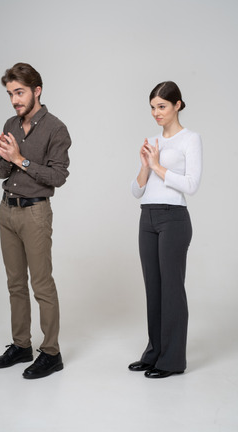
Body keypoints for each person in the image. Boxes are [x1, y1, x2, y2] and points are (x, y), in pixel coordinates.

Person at [0, 63, 71, 379]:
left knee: (41, 284)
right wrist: (5, 158)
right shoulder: (11, 122)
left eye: (19, 92)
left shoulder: (56, 129)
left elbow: (58, 176)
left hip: (35, 212)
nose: (14, 100)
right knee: (15, 283)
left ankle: (51, 353)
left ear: (37, 90)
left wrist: (18, 159)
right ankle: (21, 345)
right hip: (6, 209)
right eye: (11, 93)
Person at [128, 81, 202, 378]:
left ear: (177, 105)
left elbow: (192, 185)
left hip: (174, 218)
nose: (156, 113)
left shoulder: (190, 139)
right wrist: (146, 166)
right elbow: (136, 190)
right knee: (154, 289)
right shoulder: (151, 139)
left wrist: (158, 166)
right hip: (147, 216)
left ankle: (173, 361)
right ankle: (154, 353)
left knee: (172, 290)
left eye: (162, 106)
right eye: (152, 107)